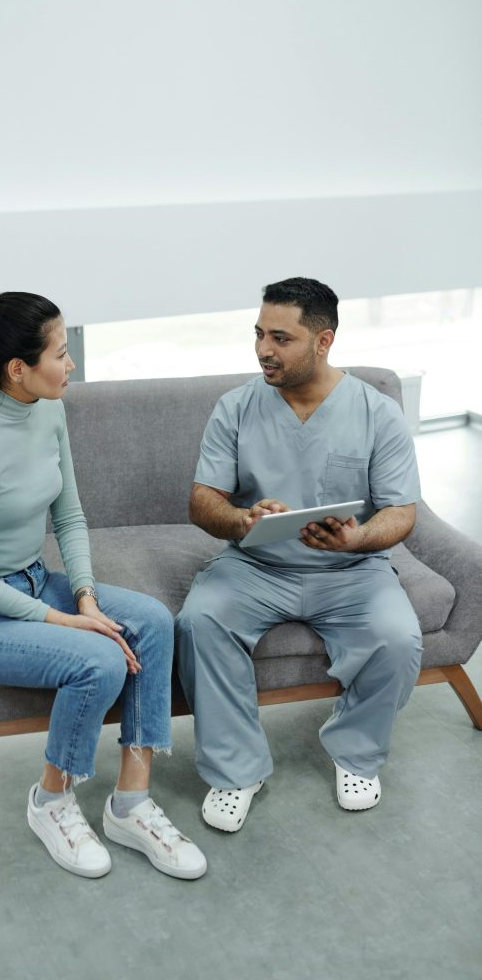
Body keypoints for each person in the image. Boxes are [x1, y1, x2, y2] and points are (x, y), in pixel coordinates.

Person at [0, 291, 206, 879]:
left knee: (151, 620)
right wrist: (70, 624)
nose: (70, 364)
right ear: (18, 368)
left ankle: (130, 803)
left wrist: (85, 597)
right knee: (97, 663)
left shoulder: (49, 410)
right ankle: (50, 800)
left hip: (33, 581)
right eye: (60, 352)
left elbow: (69, 516)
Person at [175, 277, 423, 833]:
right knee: (199, 622)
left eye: (281, 338)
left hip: (354, 571)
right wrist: (241, 519)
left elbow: (402, 512)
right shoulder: (236, 407)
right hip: (254, 567)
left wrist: (357, 539)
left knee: (399, 637)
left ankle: (355, 752)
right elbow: (201, 501)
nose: (264, 349)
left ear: (323, 340)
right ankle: (236, 770)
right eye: (259, 334)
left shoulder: (377, 412)